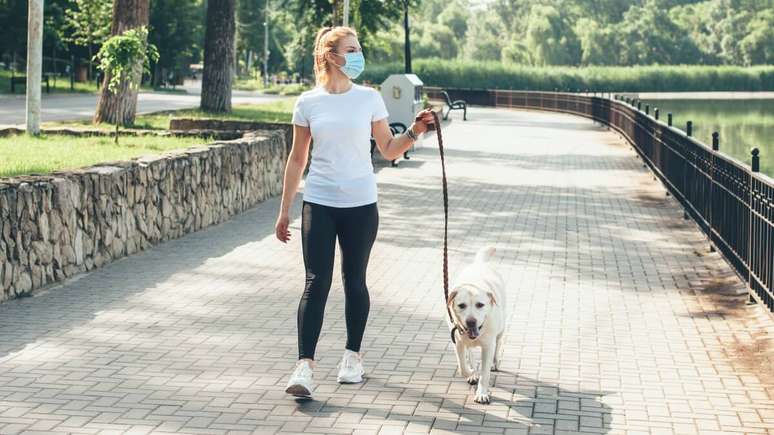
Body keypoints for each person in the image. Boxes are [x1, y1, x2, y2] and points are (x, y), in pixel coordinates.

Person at [276, 25, 435, 398]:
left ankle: (352, 357)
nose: (358, 54)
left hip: (361, 204)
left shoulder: (369, 99)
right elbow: (298, 159)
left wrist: (414, 131)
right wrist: (285, 210)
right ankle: (305, 367)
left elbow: (388, 148)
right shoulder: (308, 102)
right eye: (352, 48)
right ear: (332, 56)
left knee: (354, 280)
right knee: (316, 282)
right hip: (319, 201)